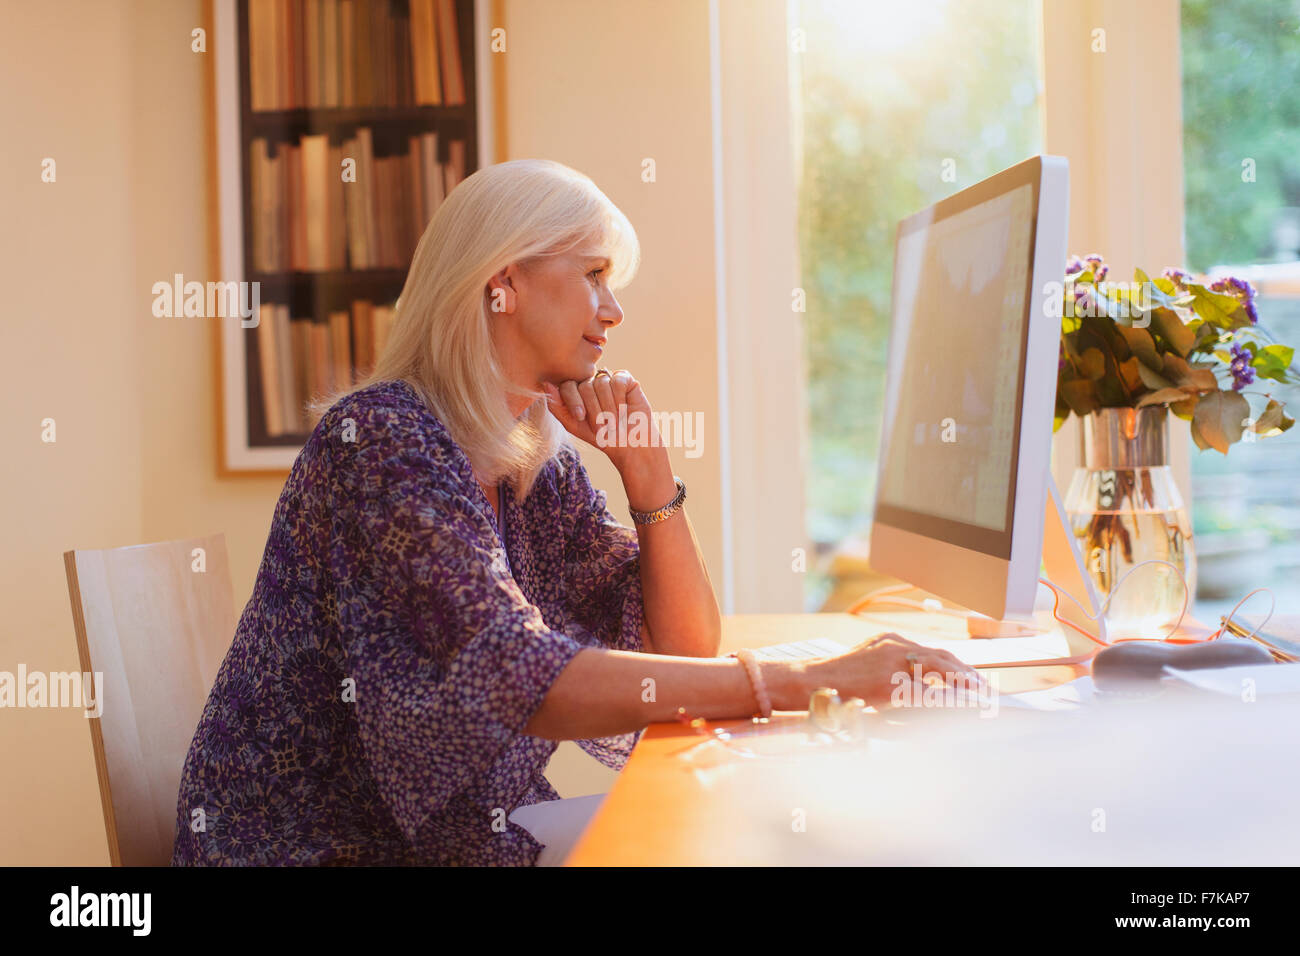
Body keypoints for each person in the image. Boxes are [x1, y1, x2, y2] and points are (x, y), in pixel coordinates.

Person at [171, 158, 977, 866]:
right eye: (593, 274)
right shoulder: (383, 442)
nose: (613, 310)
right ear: (504, 280)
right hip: (321, 851)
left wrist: (650, 478)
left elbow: (684, 644)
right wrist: (817, 680)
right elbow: (522, 679)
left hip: (463, 840)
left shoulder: (531, 465)